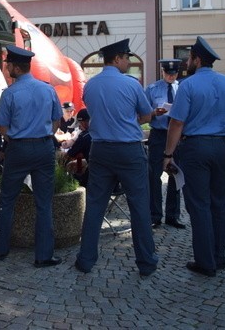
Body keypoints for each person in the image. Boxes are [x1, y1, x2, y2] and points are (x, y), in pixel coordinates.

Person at [74, 38, 158, 277]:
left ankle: (86, 259)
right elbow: (145, 115)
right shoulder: (132, 85)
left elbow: (94, 112)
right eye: (127, 58)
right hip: (129, 150)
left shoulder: (90, 86)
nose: (129, 62)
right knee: (139, 205)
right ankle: (146, 262)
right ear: (118, 58)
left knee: (95, 206)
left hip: (100, 149)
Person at [163, 36, 225, 277]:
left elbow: (177, 123)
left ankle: (205, 262)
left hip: (195, 148)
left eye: (189, 58)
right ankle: (220, 256)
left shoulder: (188, 85)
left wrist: (167, 154)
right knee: (219, 204)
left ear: (197, 60)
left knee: (199, 205)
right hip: (221, 147)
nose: (187, 62)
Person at [0, 46, 63, 266]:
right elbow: (57, 121)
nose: (7, 69)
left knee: (7, 200)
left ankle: (1, 249)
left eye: (8, 66)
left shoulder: (10, 93)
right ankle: (43, 255)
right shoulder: (48, 90)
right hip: (43, 148)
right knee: (43, 202)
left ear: (14, 66)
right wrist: (43, 136)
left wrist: (15, 139)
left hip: (18, 148)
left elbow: (1, 125)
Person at [145, 58, 185, 229]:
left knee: (176, 175)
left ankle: (172, 215)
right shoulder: (152, 89)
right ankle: (155, 215)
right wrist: (154, 112)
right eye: (168, 73)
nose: (171, 76)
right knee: (154, 176)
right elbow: (143, 113)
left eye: (174, 73)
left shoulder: (183, 89)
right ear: (162, 72)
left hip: (178, 136)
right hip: (159, 134)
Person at [64, 108, 92, 187]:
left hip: (94, 173)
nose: (79, 126)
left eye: (80, 123)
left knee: (73, 169)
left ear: (83, 122)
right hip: (113, 173)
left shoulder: (84, 136)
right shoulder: (100, 131)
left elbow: (70, 154)